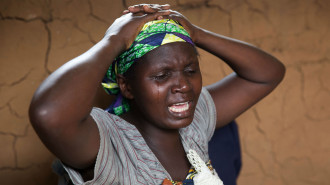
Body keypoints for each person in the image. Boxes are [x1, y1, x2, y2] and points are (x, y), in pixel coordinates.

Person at [29, 4, 285, 185]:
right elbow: (48, 113)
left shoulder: (195, 121)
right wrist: (114, 40)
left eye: (190, 70)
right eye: (162, 76)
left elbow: (267, 73)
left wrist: (198, 34)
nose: (183, 85)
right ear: (126, 86)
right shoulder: (109, 144)